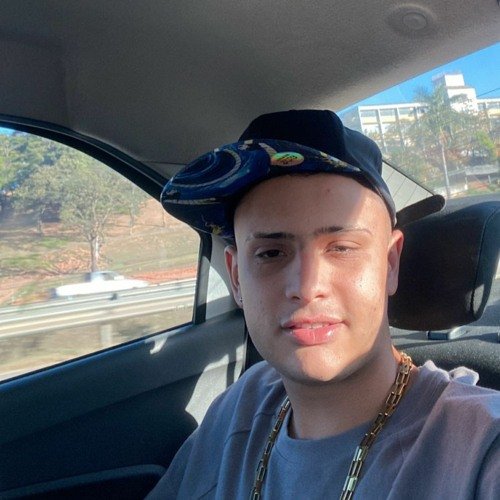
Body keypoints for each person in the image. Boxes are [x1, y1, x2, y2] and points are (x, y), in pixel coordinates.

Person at [147, 110, 499, 499]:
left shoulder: (479, 446)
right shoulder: (242, 404)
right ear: (236, 278)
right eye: (270, 253)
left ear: (389, 263)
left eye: (342, 248)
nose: (307, 287)